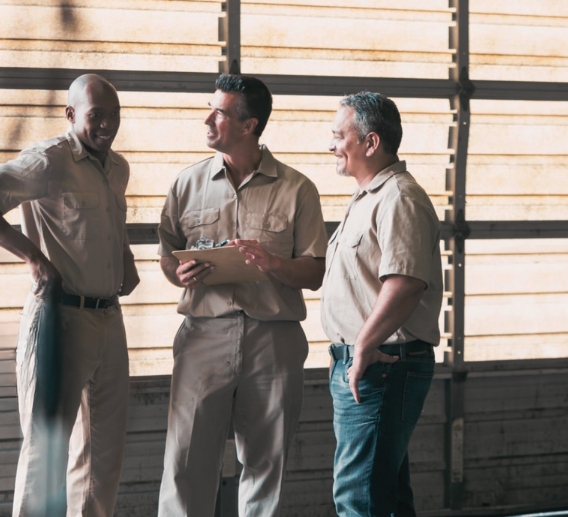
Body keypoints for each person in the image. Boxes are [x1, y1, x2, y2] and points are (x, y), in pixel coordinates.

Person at [0, 74, 139, 517]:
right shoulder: (48, 161)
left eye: (114, 116)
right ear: (71, 114)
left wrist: (126, 257)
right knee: (47, 452)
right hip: (60, 319)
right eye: (97, 115)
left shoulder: (118, 167)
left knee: (102, 456)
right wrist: (33, 257)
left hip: (108, 320)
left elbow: (107, 225)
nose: (107, 125)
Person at [157, 73, 328, 516]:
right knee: (186, 462)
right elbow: (167, 259)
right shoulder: (186, 185)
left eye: (219, 112)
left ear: (249, 125)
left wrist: (273, 263)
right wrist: (182, 273)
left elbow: (314, 272)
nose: (208, 119)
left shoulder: (297, 189)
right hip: (202, 337)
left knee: (265, 465)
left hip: (273, 341)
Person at [321, 92, 443, 517]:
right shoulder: (368, 198)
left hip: (381, 363)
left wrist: (362, 348)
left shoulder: (399, 198)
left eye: (340, 136)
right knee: (385, 497)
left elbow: (406, 283)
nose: (332, 145)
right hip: (367, 361)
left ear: (370, 143)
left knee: (359, 498)